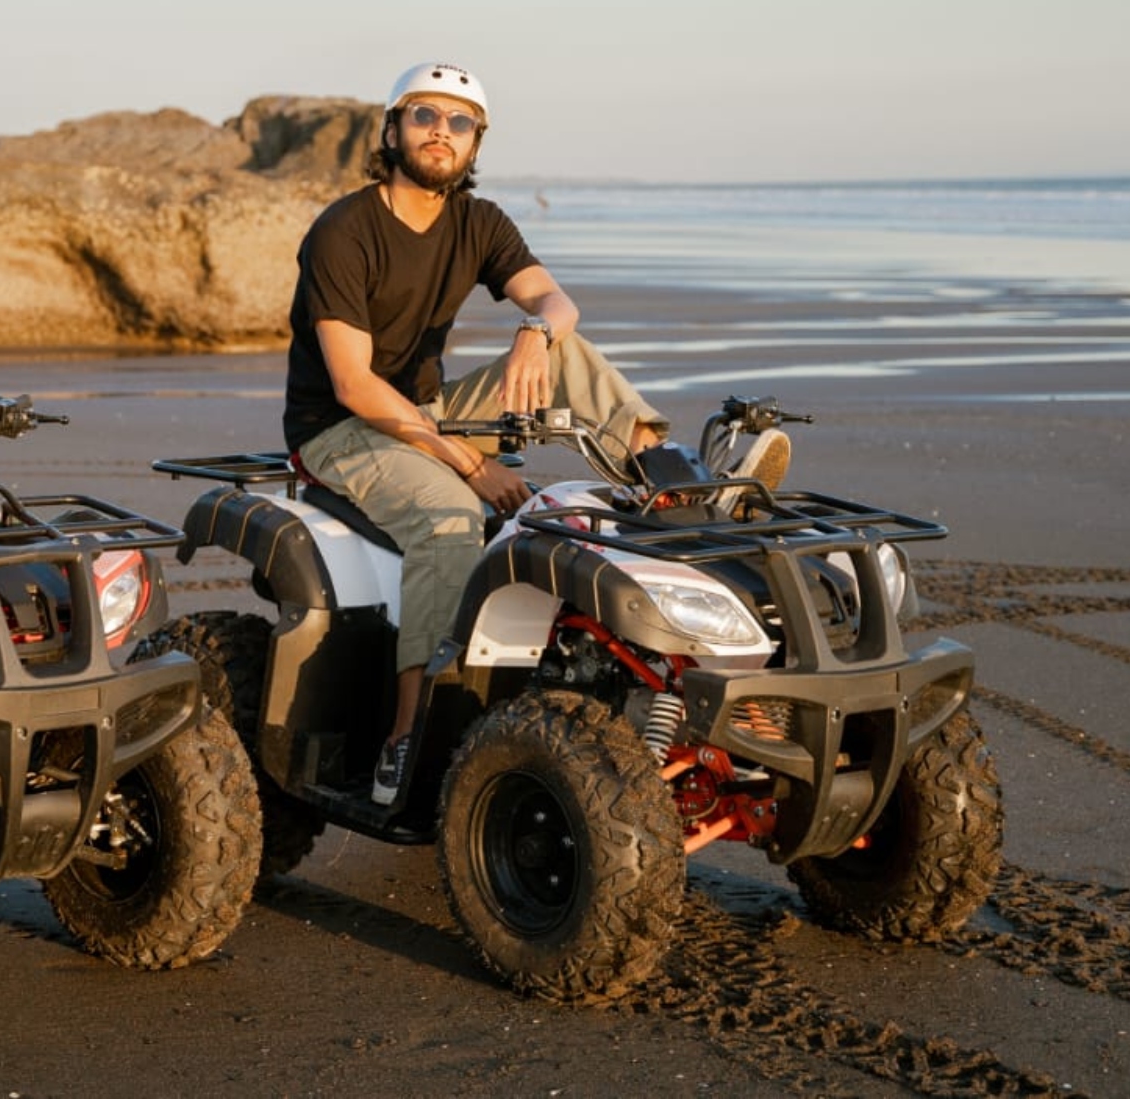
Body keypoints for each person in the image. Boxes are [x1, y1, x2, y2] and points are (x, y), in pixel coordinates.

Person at [283, 61, 786, 806]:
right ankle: (406, 737)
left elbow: (557, 302)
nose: (441, 132)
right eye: (424, 115)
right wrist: (467, 465)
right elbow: (356, 385)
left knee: (567, 355)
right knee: (452, 521)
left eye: (460, 122)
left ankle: (676, 484)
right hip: (343, 430)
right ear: (391, 129)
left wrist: (532, 332)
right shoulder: (345, 230)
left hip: (429, 411)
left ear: (476, 140)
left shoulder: (478, 222)